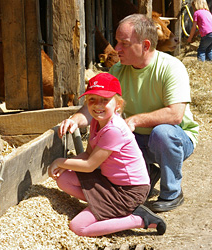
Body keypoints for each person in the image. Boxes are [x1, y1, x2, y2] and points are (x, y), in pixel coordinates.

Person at [58, 14, 199, 213]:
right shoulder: (118, 70)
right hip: (137, 139)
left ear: (146, 45)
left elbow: (175, 115)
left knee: (162, 133)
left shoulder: (171, 68)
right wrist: (75, 120)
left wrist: (134, 120)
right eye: (117, 42)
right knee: (112, 136)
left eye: (123, 43)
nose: (116, 49)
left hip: (176, 137)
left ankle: (172, 192)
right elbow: (95, 105)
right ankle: (145, 177)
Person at [48, 73, 166, 236]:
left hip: (129, 192)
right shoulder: (97, 121)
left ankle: (139, 218)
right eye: (92, 100)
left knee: (78, 227)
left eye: (105, 100)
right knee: (64, 179)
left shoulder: (114, 130)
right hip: (112, 183)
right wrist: (66, 166)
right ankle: (104, 208)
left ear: (118, 104)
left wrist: (61, 161)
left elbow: (89, 166)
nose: (97, 105)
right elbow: (88, 155)